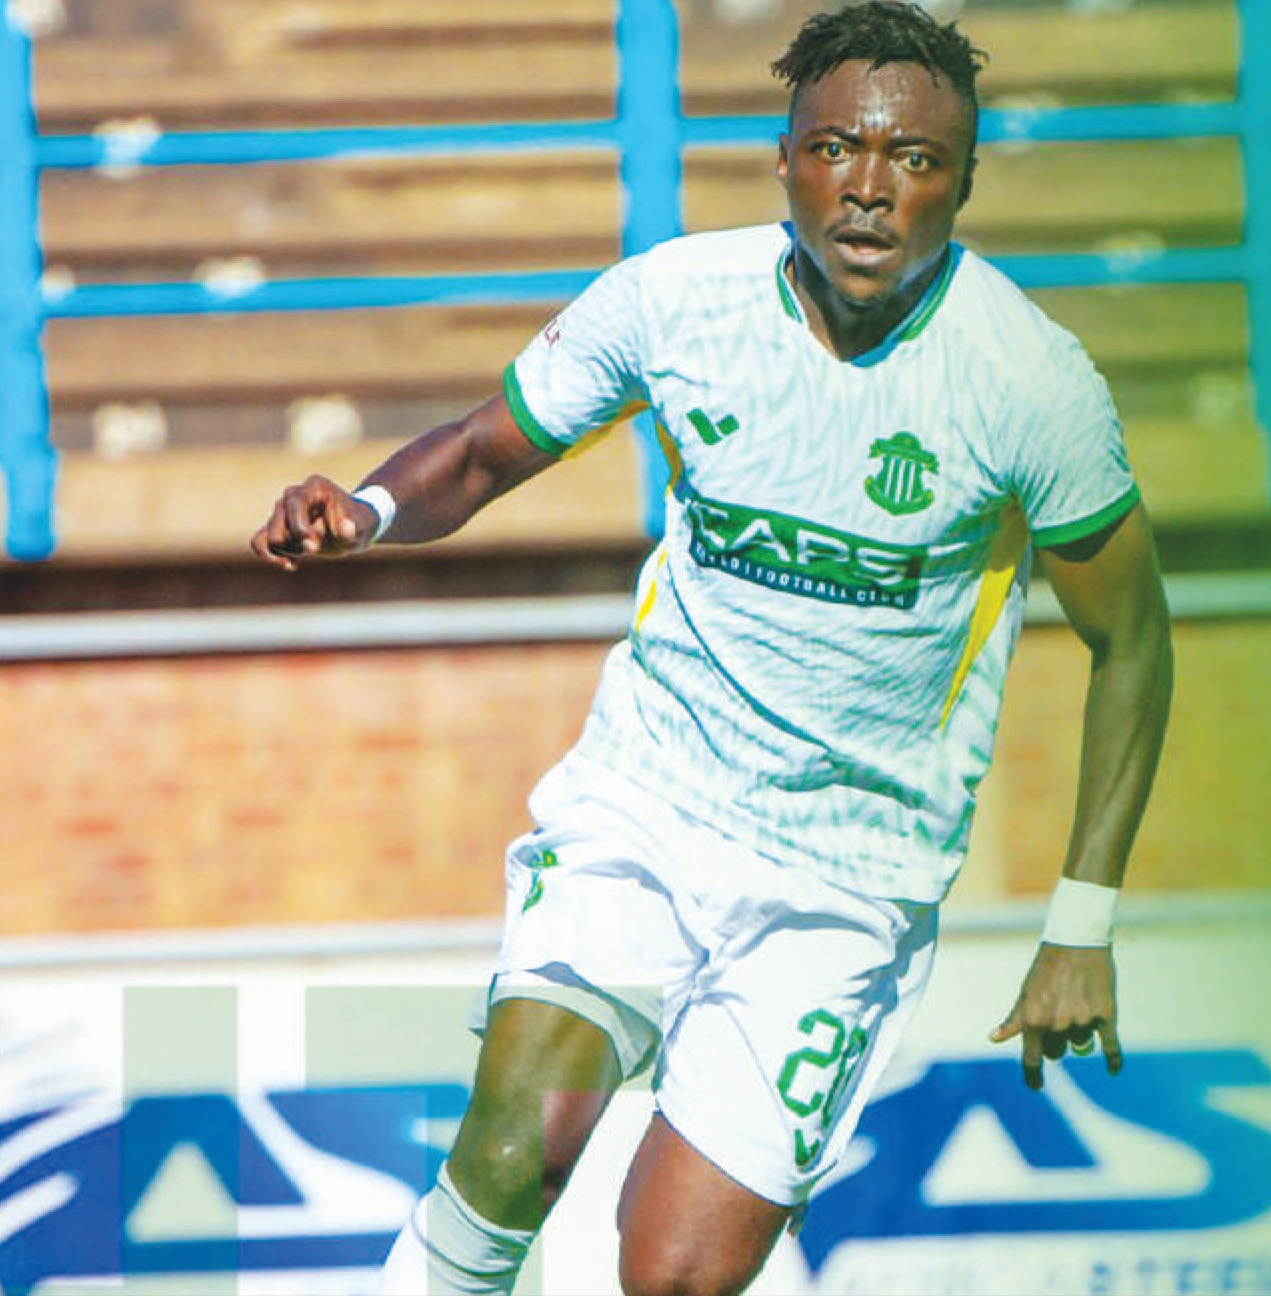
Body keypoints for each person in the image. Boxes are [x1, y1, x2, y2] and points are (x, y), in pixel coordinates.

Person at [251, 3, 1174, 1292]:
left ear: (964, 183)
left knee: (677, 1277)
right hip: (651, 801)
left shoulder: (1029, 381)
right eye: (836, 148)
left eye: (914, 160)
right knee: (513, 1155)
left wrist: (1082, 921)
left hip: (850, 876)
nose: (868, 188)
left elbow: (1134, 642)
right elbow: (480, 452)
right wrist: (368, 512)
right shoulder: (677, 301)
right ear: (785, 158)